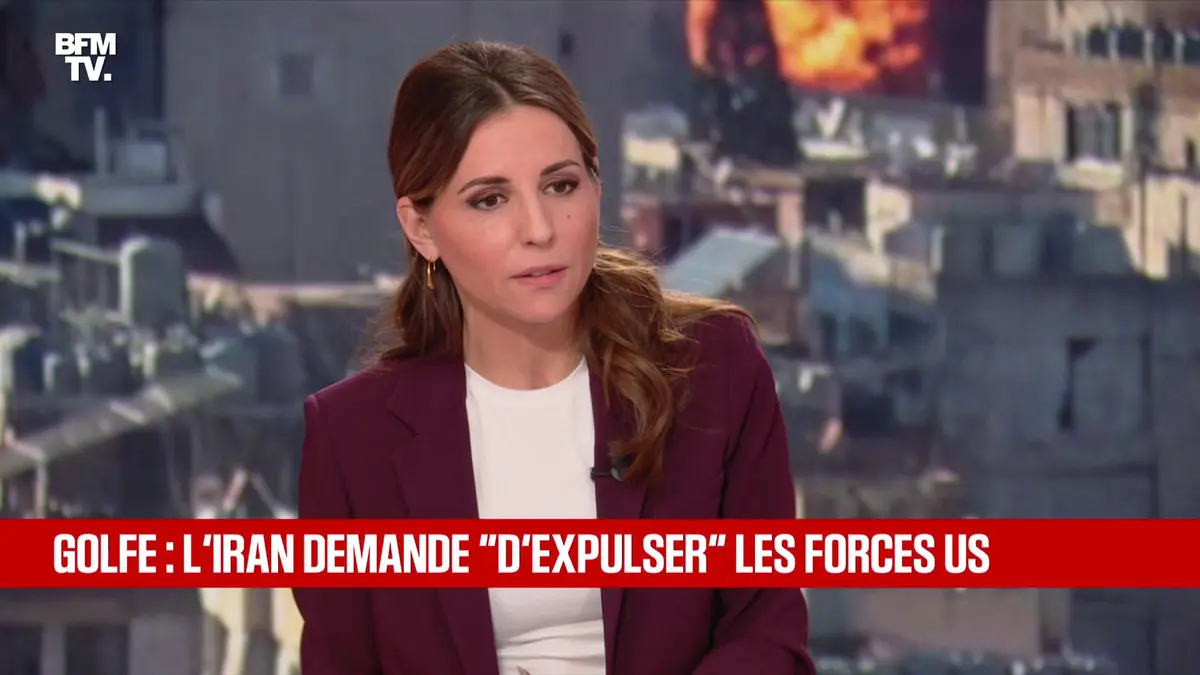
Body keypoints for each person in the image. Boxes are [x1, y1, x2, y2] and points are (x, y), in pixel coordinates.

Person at [294, 40, 814, 675]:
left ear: (596, 187)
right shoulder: (352, 437)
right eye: (490, 199)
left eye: (560, 185)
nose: (540, 229)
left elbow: (766, 629)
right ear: (422, 228)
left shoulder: (714, 370)